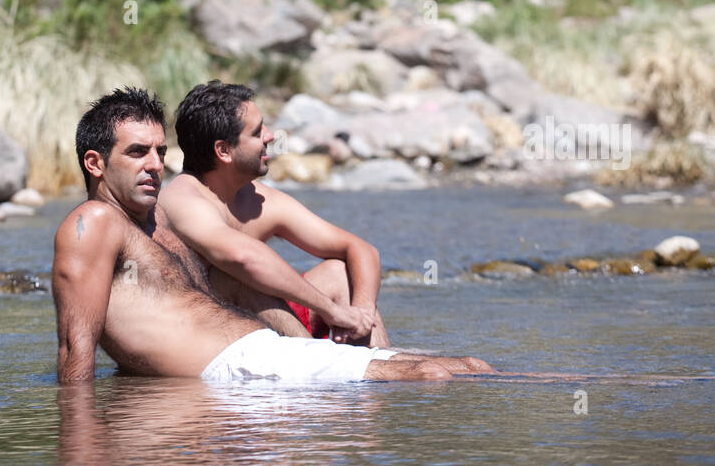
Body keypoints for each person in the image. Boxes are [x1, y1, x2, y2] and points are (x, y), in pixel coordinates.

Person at [52, 86, 494, 385]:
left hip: (260, 355)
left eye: (159, 152)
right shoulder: (92, 223)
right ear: (95, 163)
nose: (153, 164)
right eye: (136, 152)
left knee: (470, 367)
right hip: (241, 369)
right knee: (432, 376)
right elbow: (76, 347)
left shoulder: (153, 221)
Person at [161, 81, 390, 344]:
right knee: (235, 276)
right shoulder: (182, 199)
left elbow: (360, 249)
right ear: (223, 151)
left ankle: (379, 367)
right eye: (258, 132)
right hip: (200, 336)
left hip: (266, 325)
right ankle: (320, 365)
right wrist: (332, 310)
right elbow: (245, 258)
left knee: (340, 274)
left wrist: (360, 313)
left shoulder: (259, 198)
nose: (270, 136)